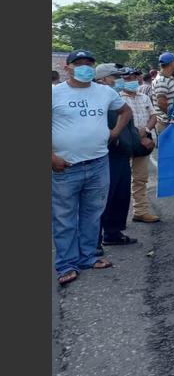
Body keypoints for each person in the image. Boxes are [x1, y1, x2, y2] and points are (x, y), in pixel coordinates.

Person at [52, 50, 132, 285]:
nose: (85, 67)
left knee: (92, 214)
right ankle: (66, 264)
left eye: (89, 63)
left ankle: (88, 257)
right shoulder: (55, 93)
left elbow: (124, 111)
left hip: (98, 163)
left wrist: (114, 132)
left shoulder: (105, 92)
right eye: (79, 63)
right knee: (64, 217)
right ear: (68, 67)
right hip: (65, 167)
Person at [93, 63, 143, 249]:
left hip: (122, 153)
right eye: (116, 76)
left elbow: (128, 122)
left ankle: (113, 233)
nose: (121, 80)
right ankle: (93, 241)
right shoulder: (95, 98)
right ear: (103, 79)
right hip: (107, 155)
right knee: (102, 199)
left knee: (120, 196)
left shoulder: (115, 98)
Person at [120, 68, 160, 223]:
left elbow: (153, 116)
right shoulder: (117, 98)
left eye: (134, 77)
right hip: (123, 143)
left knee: (140, 179)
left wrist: (147, 129)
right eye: (128, 78)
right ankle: (116, 219)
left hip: (144, 141)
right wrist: (139, 136)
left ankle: (140, 211)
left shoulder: (144, 97)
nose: (132, 81)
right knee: (120, 181)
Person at [150, 52, 174, 139]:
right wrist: (173, 116)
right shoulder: (162, 81)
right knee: (168, 150)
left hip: (169, 122)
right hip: (166, 123)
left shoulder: (169, 78)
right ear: (172, 63)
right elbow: (162, 103)